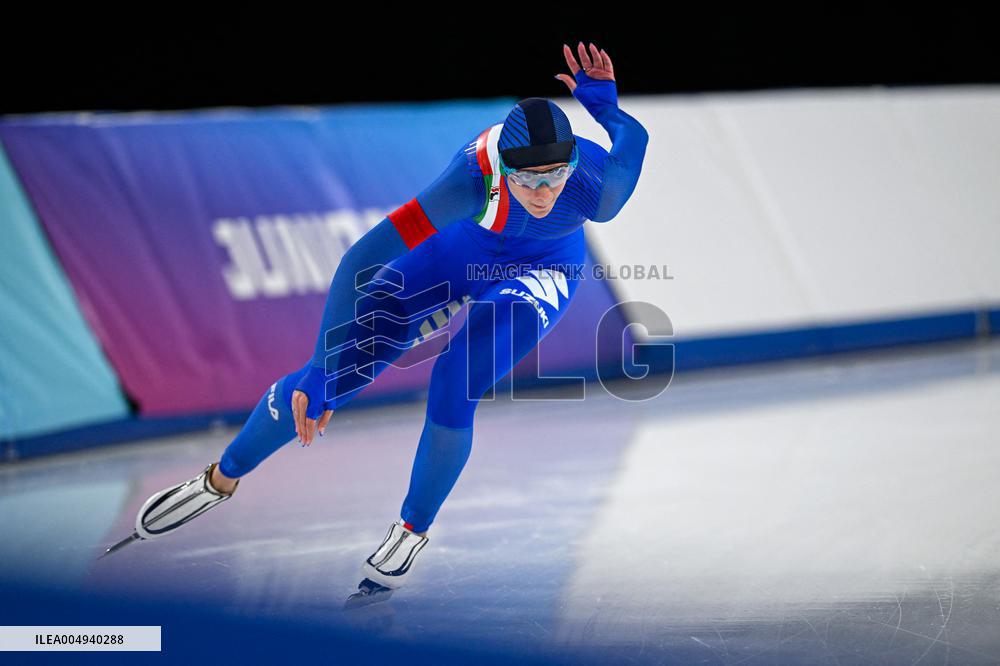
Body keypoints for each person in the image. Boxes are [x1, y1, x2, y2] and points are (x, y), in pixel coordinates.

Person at [124, 42, 648, 606]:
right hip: (454, 255)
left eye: (555, 178)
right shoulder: (469, 181)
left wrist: (607, 108)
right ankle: (220, 479)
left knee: (456, 380)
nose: (545, 194)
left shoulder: (599, 186)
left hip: (544, 271)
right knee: (336, 374)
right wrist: (322, 368)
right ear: (503, 172)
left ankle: (410, 532)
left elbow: (633, 139)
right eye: (529, 182)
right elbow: (359, 262)